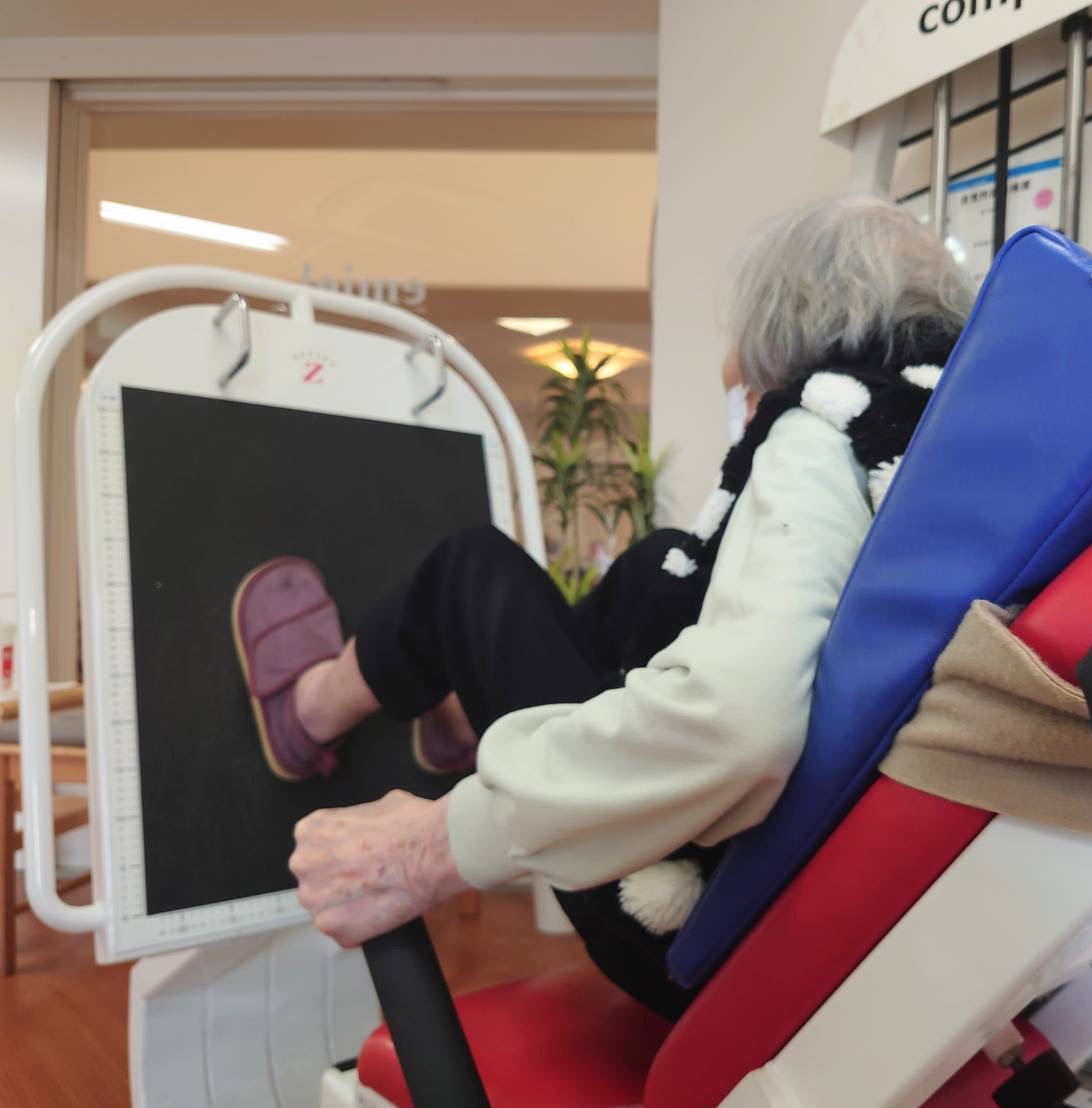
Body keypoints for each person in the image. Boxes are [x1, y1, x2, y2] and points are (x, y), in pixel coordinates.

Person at [235, 195, 973, 1017]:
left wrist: (430, 849)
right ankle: (461, 718)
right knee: (659, 561)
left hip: (676, 911)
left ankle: (308, 713)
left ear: (783, 322)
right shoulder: (936, 433)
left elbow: (740, 723)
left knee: (468, 570)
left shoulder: (821, 432)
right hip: (805, 894)